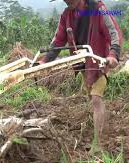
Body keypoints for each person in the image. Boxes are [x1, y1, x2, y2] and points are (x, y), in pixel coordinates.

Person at [37, 0, 123, 151]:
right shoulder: (67, 15)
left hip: (99, 62)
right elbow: (58, 41)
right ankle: (104, 126)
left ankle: (98, 144)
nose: (66, 0)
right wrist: (44, 60)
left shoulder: (97, 9)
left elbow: (113, 33)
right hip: (83, 64)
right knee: (93, 97)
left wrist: (113, 54)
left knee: (96, 98)